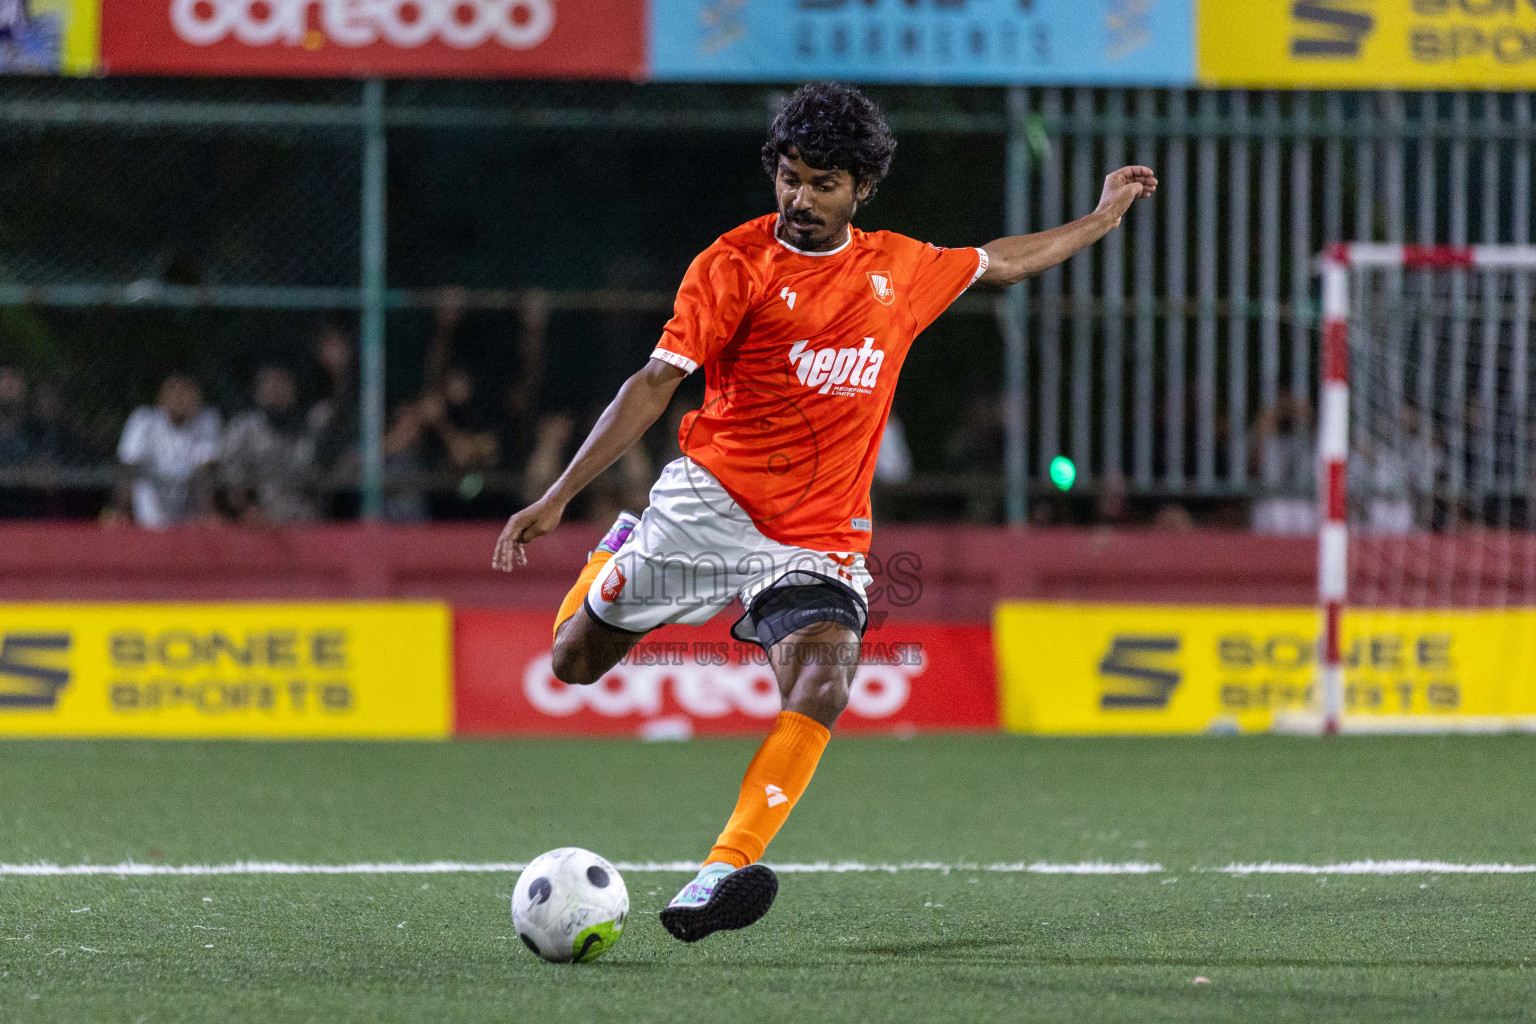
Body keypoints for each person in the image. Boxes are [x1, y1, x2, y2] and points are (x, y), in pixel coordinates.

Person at [491, 81, 1156, 942]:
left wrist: (1100, 220)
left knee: (825, 681)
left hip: (818, 538)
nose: (801, 199)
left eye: (824, 183)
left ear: (862, 189)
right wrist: (558, 498)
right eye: (790, 177)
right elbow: (656, 382)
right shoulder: (732, 265)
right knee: (574, 662)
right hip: (709, 506)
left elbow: (1003, 257)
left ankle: (717, 873)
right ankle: (610, 556)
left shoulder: (900, 271)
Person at [106, 373, 222, 529]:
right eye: (173, 392)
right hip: (152, 502)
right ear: (161, 397)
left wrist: (208, 513)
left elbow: (204, 472)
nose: (179, 398)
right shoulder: (143, 420)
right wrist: (118, 511)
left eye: (185, 391)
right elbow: (128, 466)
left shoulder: (207, 421)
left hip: (189, 501)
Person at [220, 364, 319, 524]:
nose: (276, 391)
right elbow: (230, 478)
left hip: (301, 521)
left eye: (282, 383)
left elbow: (316, 481)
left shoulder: (308, 429)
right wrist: (248, 509)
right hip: (254, 522)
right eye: (269, 384)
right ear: (258, 392)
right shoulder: (242, 428)